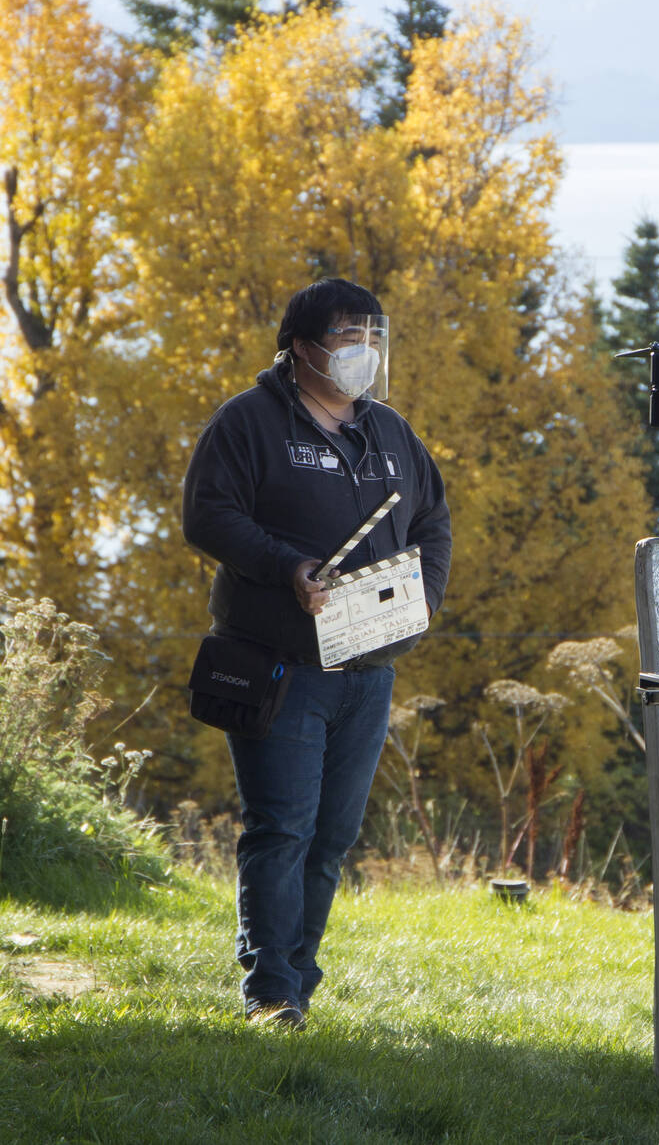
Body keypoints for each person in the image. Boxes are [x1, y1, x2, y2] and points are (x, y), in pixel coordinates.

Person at [181, 278, 452, 1030]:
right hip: (278, 664)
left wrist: (422, 598)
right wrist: (284, 567)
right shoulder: (248, 423)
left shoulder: (390, 432)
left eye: (372, 338)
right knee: (282, 826)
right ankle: (270, 989)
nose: (363, 353)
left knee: (330, 838)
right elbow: (206, 515)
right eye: (346, 338)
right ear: (302, 348)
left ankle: (299, 976)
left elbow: (433, 518)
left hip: (368, 671)